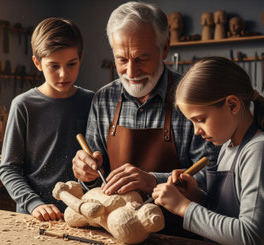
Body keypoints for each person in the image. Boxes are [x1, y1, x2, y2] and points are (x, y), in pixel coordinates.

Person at [72, 1, 219, 237]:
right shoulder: (103, 99)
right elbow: (95, 184)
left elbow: (213, 178)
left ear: (164, 49)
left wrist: (153, 181)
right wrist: (86, 174)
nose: (131, 72)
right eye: (121, 59)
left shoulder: (192, 97)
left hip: (178, 234)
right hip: (116, 234)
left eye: (141, 58)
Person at [152, 57, 264, 244]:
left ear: (232, 105)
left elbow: (250, 236)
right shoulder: (229, 147)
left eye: (201, 119)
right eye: (192, 122)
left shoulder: (260, 152)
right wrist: (197, 197)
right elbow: (227, 215)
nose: (196, 131)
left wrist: (184, 208)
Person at [0, 17, 94, 221]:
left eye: (71, 64)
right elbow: (8, 169)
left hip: (82, 215)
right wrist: (34, 204)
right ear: (37, 63)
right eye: (53, 66)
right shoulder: (23, 105)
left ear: (81, 57)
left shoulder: (92, 102)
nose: (63, 74)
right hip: (34, 217)